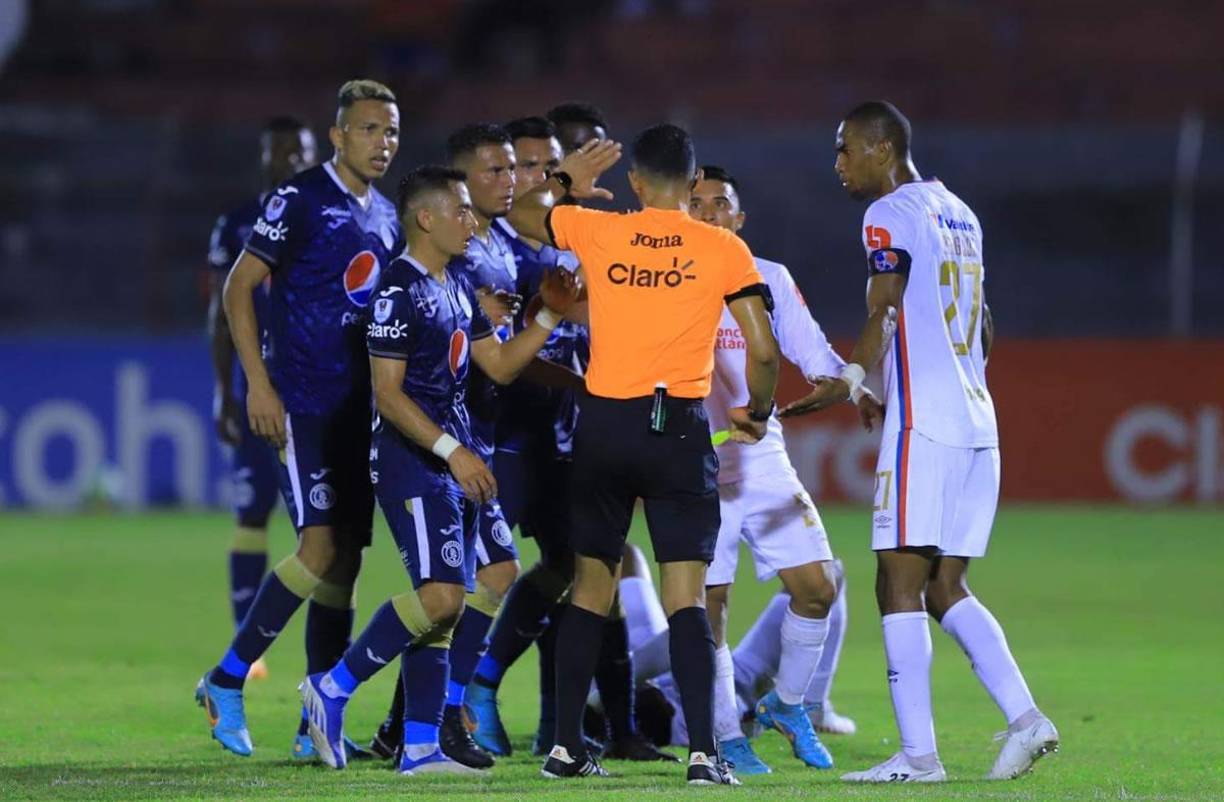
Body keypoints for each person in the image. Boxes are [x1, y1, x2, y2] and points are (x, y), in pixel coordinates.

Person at [781, 100, 1058, 783]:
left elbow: (886, 305)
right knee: (944, 585)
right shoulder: (962, 211)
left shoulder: (889, 214)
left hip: (926, 422)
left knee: (896, 581)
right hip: (976, 417)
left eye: (846, 148)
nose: (838, 163)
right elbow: (983, 320)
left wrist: (850, 375)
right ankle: (1028, 721)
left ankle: (918, 757)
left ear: (881, 148)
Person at [509, 124, 780, 785]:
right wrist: (759, 409)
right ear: (693, 185)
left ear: (633, 181)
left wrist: (565, 178)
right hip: (678, 430)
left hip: (603, 425)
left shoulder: (600, 232)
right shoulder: (721, 247)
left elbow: (521, 213)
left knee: (591, 589)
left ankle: (567, 748)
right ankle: (704, 755)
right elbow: (763, 348)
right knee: (686, 599)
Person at [298, 165, 580, 775]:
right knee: (443, 594)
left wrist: (550, 317)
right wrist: (453, 451)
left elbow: (501, 365)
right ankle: (334, 687)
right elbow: (389, 395)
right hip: (413, 461)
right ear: (426, 218)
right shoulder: (398, 291)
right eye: (461, 211)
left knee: (494, 573)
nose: (473, 221)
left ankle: (423, 743)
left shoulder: (454, 282)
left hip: (458, 458)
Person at [194, 79, 402, 760]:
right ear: (339, 136)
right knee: (317, 548)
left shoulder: (390, 217)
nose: (382, 142)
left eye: (391, 131)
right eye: (369, 129)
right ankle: (226, 680)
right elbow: (238, 287)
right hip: (301, 404)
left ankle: (316, 718)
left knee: (343, 563)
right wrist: (257, 384)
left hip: (356, 415)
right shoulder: (301, 198)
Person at [465, 115, 670, 763]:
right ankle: (460, 698)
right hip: (506, 433)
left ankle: (603, 727)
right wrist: (586, 382)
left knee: (591, 570)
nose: (529, 178)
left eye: (543, 164)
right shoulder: (499, 241)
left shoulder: (567, 242)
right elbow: (509, 354)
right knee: (517, 573)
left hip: (564, 434)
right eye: (524, 166)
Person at [686, 164, 880, 774]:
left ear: (738, 220)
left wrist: (851, 386)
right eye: (697, 203)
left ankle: (788, 705)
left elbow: (808, 346)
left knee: (818, 586)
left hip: (762, 454)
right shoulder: (669, 281)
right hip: (697, 463)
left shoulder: (768, 278)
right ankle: (725, 737)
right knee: (710, 608)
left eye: (721, 203)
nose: (709, 212)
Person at [206, 116, 316, 685]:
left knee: (324, 532)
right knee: (252, 512)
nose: (288, 161)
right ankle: (245, 646)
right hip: (261, 385)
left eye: (297, 151)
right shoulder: (238, 223)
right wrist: (228, 392)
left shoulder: (327, 214)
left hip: (317, 390)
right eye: (278, 152)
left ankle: (314, 660)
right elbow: (221, 313)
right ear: (264, 157)